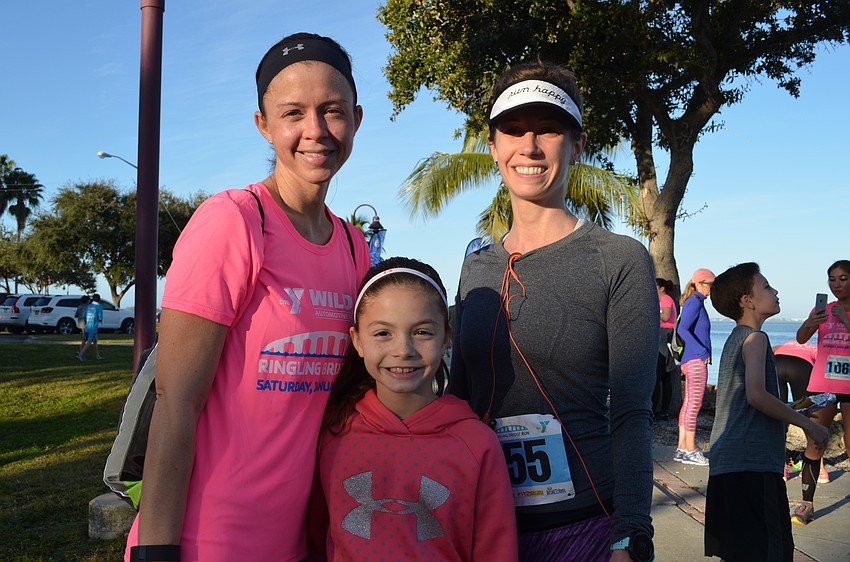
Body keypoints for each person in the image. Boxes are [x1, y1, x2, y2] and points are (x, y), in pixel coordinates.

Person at [124, 32, 369, 562]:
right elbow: (175, 403)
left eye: (333, 110)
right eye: (293, 113)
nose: (316, 131)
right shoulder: (234, 221)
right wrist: (157, 551)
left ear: (357, 119)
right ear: (263, 124)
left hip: (293, 543)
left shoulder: (353, 246)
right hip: (202, 541)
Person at [449, 61, 657, 562]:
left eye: (549, 128)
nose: (531, 145)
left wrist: (631, 534)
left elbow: (632, 411)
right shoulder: (475, 265)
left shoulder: (620, 258)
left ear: (577, 145)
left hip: (586, 527)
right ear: (495, 146)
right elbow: (458, 400)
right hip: (485, 527)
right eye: (514, 130)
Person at [307, 257, 518, 561]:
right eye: (382, 333)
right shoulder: (333, 433)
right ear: (357, 341)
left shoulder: (477, 445)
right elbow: (314, 540)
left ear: (446, 336)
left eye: (421, 332)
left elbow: (496, 551)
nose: (403, 350)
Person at [704, 263, 828, 562]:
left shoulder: (736, 338)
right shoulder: (756, 338)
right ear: (748, 301)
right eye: (767, 287)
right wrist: (808, 426)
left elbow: (746, 400)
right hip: (753, 463)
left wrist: (790, 408)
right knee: (770, 551)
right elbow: (757, 395)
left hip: (727, 462)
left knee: (738, 551)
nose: (775, 291)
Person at [791, 259, 850, 525]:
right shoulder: (823, 309)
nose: (837, 284)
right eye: (832, 279)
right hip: (822, 384)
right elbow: (802, 338)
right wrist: (811, 321)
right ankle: (806, 505)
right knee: (815, 442)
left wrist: (845, 320)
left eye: (843, 278)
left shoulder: (841, 312)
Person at [674, 268, 715, 466]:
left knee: (689, 404)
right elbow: (682, 329)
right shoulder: (695, 302)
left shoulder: (695, 302)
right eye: (709, 284)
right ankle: (690, 449)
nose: (711, 288)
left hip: (690, 361)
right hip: (695, 362)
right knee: (694, 406)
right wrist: (702, 352)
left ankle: (682, 449)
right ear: (697, 284)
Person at [652, 278, 678, 421]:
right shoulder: (662, 300)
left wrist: (653, 311)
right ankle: (662, 410)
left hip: (665, 336)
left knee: (659, 375)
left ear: (662, 288)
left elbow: (666, 316)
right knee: (664, 376)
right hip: (663, 336)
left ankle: (656, 410)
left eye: (655, 286)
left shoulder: (666, 299)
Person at [78, 293, 103, 361]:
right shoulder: (99, 307)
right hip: (94, 327)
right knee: (89, 342)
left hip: (87, 326)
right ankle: (80, 355)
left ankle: (97, 355)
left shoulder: (89, 306)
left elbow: (83, 315)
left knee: (95, 341)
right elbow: (100, 317)